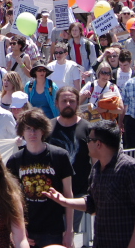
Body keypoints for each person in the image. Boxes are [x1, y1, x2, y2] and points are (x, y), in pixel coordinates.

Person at [42, 120, 135, 248]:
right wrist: (65, 201)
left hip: (128, 243)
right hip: (103, 242)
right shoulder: (96, 169)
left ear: (98, 144)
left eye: (89, 140)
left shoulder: (129, 168)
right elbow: (92, 203)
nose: (86, 143)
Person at [6, 108, 74, 248]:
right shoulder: (15, 160)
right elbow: (12, 199)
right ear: (22, 132)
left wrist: (69, 230)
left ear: (43, 130)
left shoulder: (60, 155)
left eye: (36, 128)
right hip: (27, 229)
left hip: (54, 229)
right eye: (28, 128)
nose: (32, 133)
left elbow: (68, 194)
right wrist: (18, 230)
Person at [49, 86, 91, 234]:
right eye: (64, 101)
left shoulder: (87, 128)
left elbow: (95, 161)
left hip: (78, 192)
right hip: (51, 193)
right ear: (56, 103)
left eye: (72, 101)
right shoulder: (48, 127)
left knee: (68, 235)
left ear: (78, 103)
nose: (68, 104)